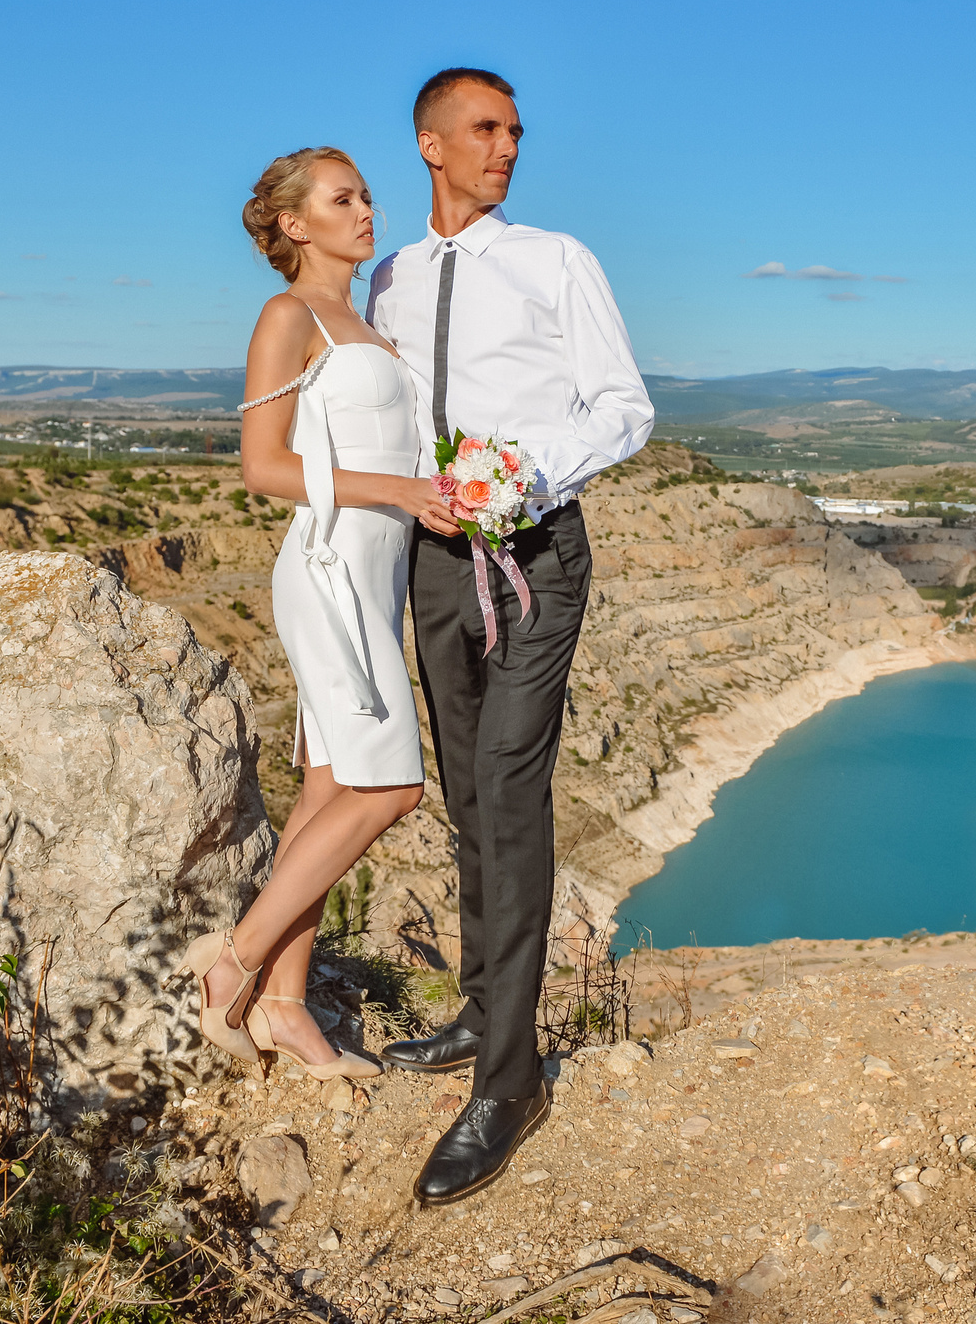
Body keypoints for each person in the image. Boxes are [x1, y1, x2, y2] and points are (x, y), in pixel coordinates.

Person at [367, 68, 653, 1205]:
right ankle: (484, 1010)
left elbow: (623, 404)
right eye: (485, 131)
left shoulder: (557, 260)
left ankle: (508, 1080)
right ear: (431, 144)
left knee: (508, 784)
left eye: (516, 133)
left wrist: (526, 478)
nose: (508, 149)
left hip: (536, 556)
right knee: (464, 794)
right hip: (433, 559)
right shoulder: (388, 277)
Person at [184, 147, 461, 1081]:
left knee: (326, 791)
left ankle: (289, 1009)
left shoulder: (367, 318)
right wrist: (403, 488)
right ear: (297, 224)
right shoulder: (289, 315)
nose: (367, 209)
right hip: (331, 568)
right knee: (391, 789)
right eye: (344, 198)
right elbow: (261, 467)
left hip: (381, 572)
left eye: (368, 194)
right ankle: (233, 970)